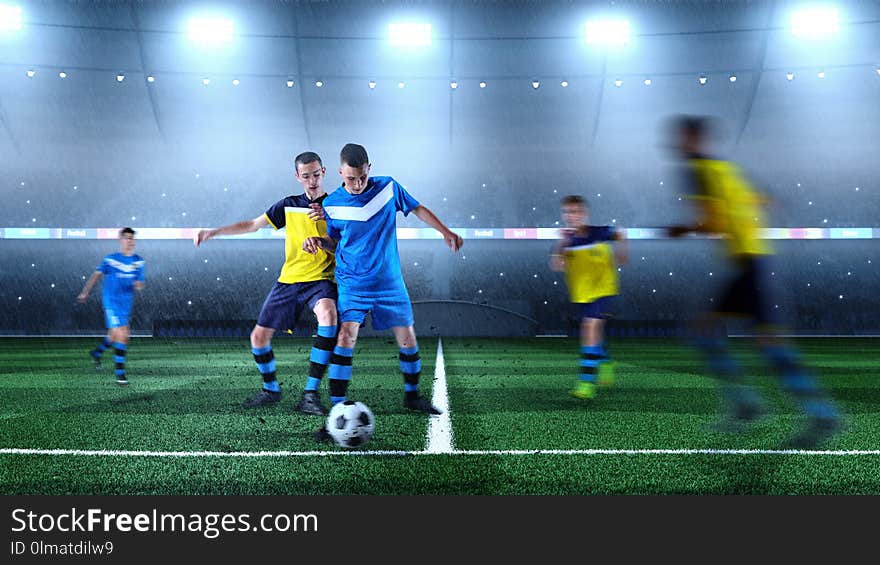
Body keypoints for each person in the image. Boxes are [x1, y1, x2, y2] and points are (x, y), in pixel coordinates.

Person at [666, 115, 842, 449]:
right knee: (709, 331)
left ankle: (815, 412)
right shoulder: (724, 169)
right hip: (750, 260)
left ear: (693, 138)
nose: (676, 143)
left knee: (756, 341)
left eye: (681, 137)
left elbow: (713, 222)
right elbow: (765, 200)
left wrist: (682, 229)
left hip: (748, 263)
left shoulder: (697, 171)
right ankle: (755, 405)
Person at [303, 143, 463, 442]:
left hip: (389, 281)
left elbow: (418, 208)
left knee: (408, 338)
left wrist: (445, 231)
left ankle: (412, 397)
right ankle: (335, 416)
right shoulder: (332, 203)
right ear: (340, 173)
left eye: (362, 176)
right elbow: (335, 240)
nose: (357, 183)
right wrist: (317, 241)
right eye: (351, 178)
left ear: (369, 169)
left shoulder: (388, 188)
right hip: (352, 281)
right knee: (345, 336)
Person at [194, 152, 337, 415]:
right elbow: (252, 224)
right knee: (258, 338)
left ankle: (310, 394)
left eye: (316, 174)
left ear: (324, 171)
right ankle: (271, 390)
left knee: (328, 315)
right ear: (297, 177)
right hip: (289, 280)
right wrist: (215, 231)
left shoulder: (337, 203)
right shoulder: (289, 205)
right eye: (306, 176)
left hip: (321, 279)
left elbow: (347, 242)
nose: (312, 180)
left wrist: (326, 227)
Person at [551, 195, 627, 399]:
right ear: (563, 215)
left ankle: (586, 383)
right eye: (568, 212)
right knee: (595, 333)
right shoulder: (566, 241)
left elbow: (621, 234)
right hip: (582, 294)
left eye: (576, 211)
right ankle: (608, 362)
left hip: (604, 289)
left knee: (589, 328)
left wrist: (621, 254)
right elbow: (557, 266)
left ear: (584, 213)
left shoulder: (600, 232)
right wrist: (562, 243)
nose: (572, 216)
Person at [78, 227, 145, 386]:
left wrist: (138, 284)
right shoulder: (110, 260)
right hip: (111, 302)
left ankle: (97, 353)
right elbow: (96, 275)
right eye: (127, 238)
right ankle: (120, 374)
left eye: (132, 238)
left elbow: (141, 284)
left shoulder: (139, 261)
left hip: (125, 304)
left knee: (114, 335)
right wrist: (85, 292)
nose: (130, 241)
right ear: (120, 240)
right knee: (124, 334)